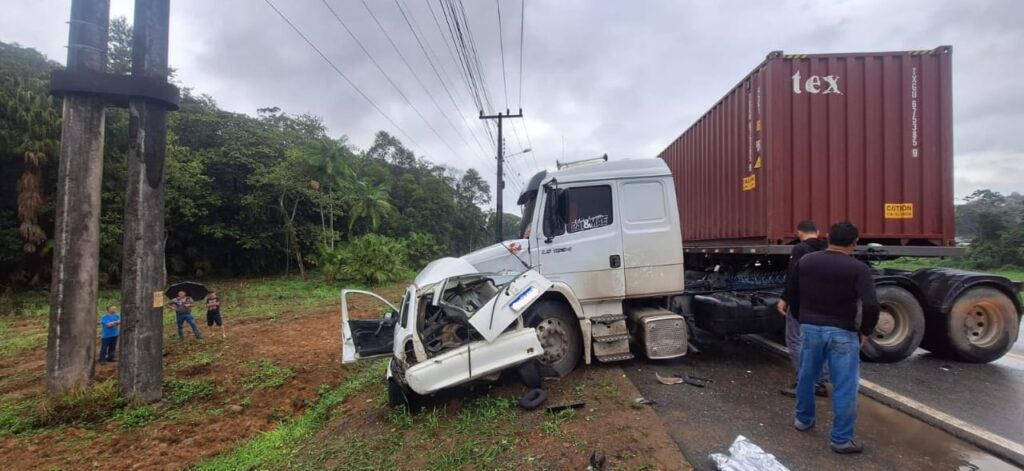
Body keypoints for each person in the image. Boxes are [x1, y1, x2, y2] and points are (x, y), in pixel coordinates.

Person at [782, 221, 879, 454]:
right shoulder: (858, 268)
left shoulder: (806, 261)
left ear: (827, 237)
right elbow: (871, 305)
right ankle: (841, 439)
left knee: (807, 377)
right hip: (843, 332)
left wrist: (802, 317)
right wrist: (865, 331)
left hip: (810, 328)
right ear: (855, 243)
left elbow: (791, 293)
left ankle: (803, 421)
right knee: (845, 385)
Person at [776, 220, 829, 398]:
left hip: (801, 302)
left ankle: (804, 383)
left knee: (795, 341)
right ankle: (820, 382)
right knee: (817, 343)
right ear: (818, 231)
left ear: (799, 233)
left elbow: (793, 276)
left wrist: (785, 298)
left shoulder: (799, 249)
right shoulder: (826, 248)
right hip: (822, 302)